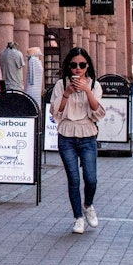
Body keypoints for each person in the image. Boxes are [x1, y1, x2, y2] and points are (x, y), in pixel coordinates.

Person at [48, 46, 106, 234]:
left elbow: (97, 111)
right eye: (74, 65)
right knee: (73, 179)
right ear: (69, 67)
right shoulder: (61, 85)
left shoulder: (95, 84)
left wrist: (87, 91)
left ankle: (88, 205)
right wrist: (67, 93)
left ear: (87, 66)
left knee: (91, 178)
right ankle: (78, 218)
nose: (77, 69)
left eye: (81, 65)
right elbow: (55, 111)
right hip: (67, 136)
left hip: (88, 135)